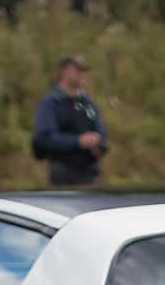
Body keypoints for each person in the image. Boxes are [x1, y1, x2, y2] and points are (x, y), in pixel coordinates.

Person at [30, 54, 107, 187]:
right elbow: (43, 139)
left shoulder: (88, 103)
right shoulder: (52, 102)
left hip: (90, 174)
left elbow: (101, 135)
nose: (81, 74)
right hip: (64, 174)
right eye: (77, 70)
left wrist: (99, 145)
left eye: (83, 71)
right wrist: (78, 141)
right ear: (63, 71)